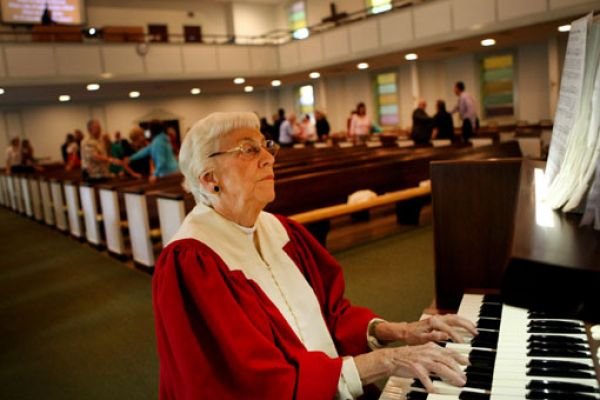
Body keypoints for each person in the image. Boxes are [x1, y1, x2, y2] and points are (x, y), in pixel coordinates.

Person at [153, 111, 477, 399]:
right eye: (249, 150)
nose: (269, 158)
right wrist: (385, 361)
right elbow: (247, 384)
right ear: (210, 179)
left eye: (266, 146)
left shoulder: (282, 231)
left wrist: (400, 331)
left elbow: (330, 314)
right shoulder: (191, 264)